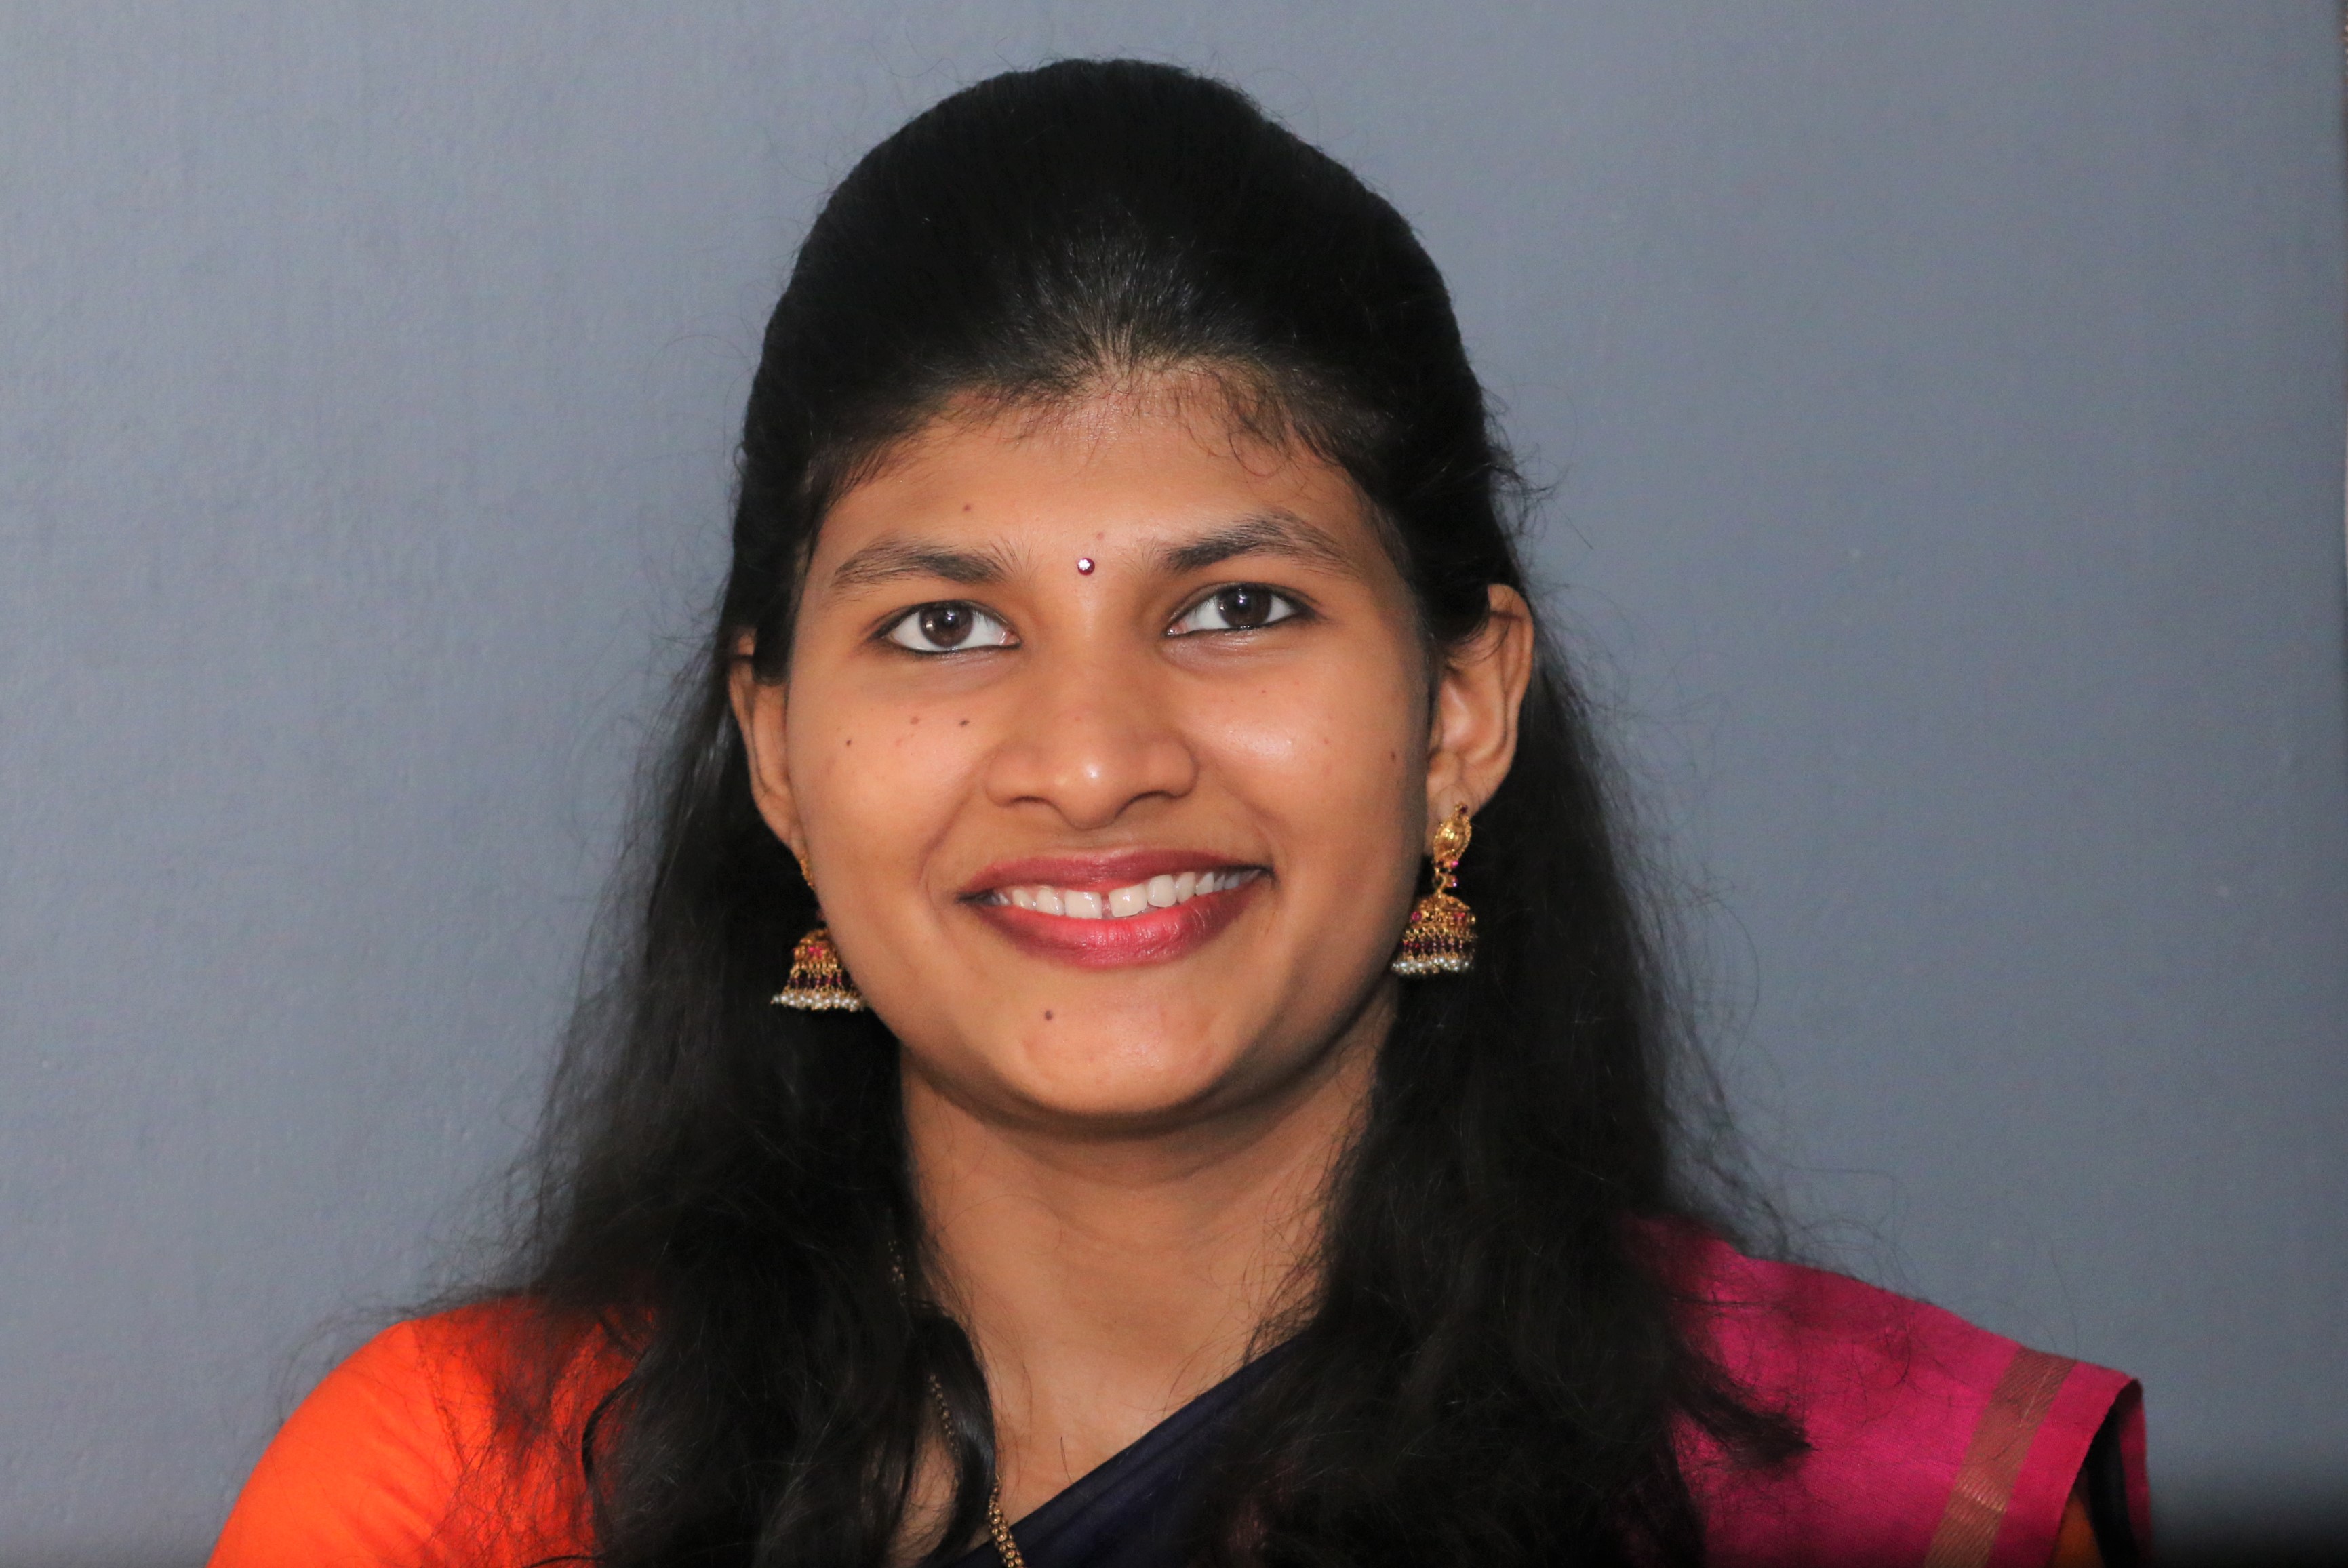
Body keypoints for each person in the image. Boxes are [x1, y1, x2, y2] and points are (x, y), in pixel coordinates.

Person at [208, 59, 2145, 1568]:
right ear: (777, 750)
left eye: (1236, 608)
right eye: (946, 625)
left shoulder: (1879, 1506)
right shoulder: (467, 1495)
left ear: (1461, 710)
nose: (1093, 758)